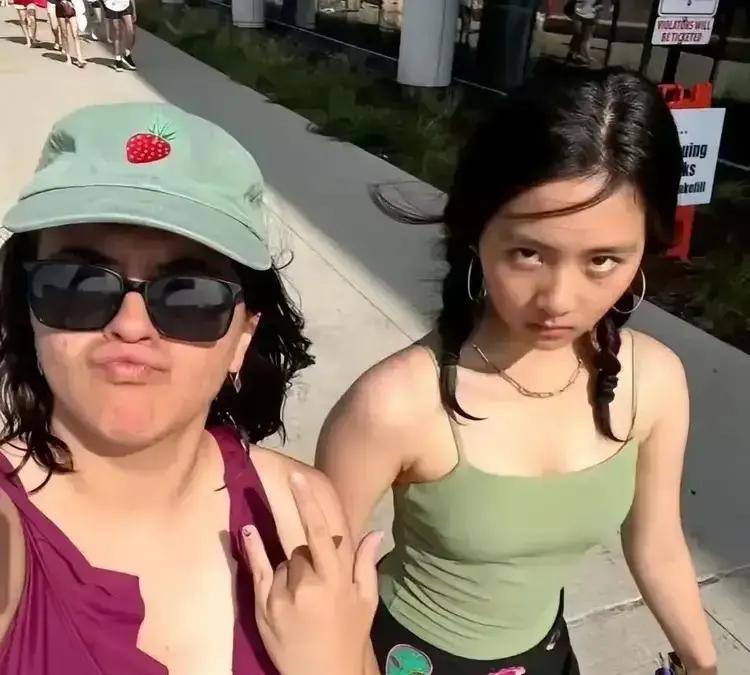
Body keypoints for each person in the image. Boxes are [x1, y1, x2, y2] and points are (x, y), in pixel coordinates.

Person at [316, 68, 719, 674]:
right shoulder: (395, 404)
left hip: (550, 656)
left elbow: (657, 542)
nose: (559, 300)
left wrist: (702, 663)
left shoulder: (653, 383)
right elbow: (320, 593)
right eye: (528, 253)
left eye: (603, 260)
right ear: (475, 233)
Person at [0, 102, 381, 675]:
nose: (131, 326)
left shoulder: (297, 512)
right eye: (78, 284)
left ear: (242, 337)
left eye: (189, 294)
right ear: (27, 310)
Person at [103, 0, 136, 71]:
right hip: (112, 5)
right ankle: (118, 59)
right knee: (117, 32)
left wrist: (134, 10)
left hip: (125, 4)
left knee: (131, 31)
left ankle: (127, 54)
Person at [55, 0, 87, 67]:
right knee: (64, 34)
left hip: (70, 8)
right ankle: (68, 57)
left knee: (75, 34)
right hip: (60, 8)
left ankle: (79, 58)